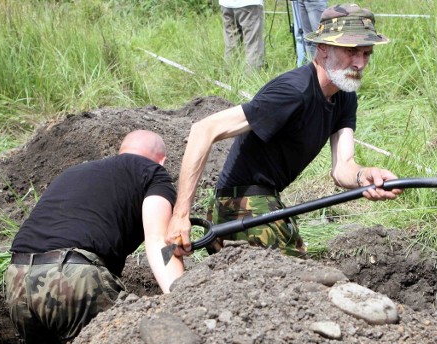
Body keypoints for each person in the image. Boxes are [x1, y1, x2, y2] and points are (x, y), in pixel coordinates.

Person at [166, 3, 401, 257]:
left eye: (366, 54)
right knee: (296, 279)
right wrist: (180, 215)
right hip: (238, 202)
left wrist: (363, 176)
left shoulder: (345, 96)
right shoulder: (293, 91)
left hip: (267, 199)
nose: (360, 63)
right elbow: (204, 129)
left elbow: (342, 167)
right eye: (351, 51)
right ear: (323, 47)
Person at [5, 130, 184, 344]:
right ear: (163, 160)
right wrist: (181, 299)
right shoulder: (153, 172)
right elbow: (159, 240)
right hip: (72, 276)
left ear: (120, 152)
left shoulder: (75, 172)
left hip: (17, 280)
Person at [219, 0, 265, 70]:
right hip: (249, 4)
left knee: (231, 45)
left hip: (226, 4)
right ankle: (250, 79)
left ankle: (228, 77)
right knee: (253, 45)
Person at [291, 0, 328, 66]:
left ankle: (324, 70)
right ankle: (312, 68)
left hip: (316, 2)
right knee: (308, 40)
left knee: (320, 39)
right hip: (301, 1)